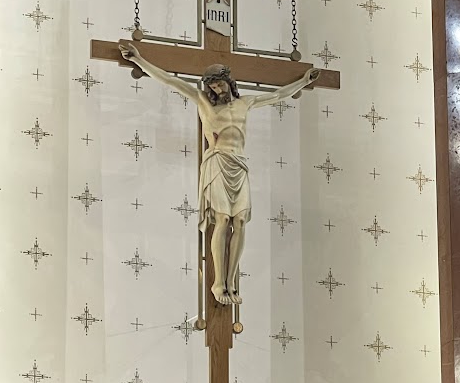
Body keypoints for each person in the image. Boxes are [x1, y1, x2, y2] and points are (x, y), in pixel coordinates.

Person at [119, 41, 320, 305]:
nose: (217, 89)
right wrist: (138, 60)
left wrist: (304, 81)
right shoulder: (203, 102)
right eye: (212, 85)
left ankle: (231, 280)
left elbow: (278, 95)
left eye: (220, 83)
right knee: (222, 219)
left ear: (229, 82)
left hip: (239, 164)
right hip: (217, 163)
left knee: (240, 222)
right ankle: (217, 283)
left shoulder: (245, 103)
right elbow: (170, 81)